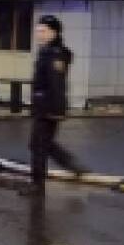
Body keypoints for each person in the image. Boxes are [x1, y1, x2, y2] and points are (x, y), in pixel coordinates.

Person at [24, 14, 84, 196]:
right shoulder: (48, 51)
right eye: (37, 31)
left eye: (43, 31)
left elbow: (57, 83)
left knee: (38, 145)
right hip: (43, 105)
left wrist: (57, 110)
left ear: (53, 32)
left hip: (49, 107)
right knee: (42, 144)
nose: (39, 35)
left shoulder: (55, 54)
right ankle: (70, 164)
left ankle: (37, 185)